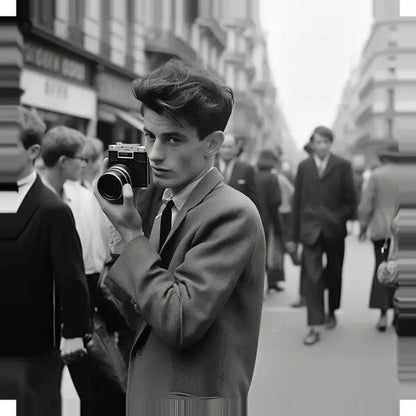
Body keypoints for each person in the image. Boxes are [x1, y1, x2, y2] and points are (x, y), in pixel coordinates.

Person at [94, 58, 266, 416]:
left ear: (213, 143)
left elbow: (179, 321)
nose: (155, 154)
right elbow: (143, 311)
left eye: (173, 139)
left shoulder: (232, 213)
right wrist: (120, 244)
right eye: (149, 135)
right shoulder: (170, 200)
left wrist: (131, 235)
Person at [0, 108, 90, 416]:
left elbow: (72, 276)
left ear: (33, 151)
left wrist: (74, 332)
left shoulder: (52, 209)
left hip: (34, 350)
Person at [288, 126, 356, 346]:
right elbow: (297, 202)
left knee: (334, 273)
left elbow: (351, 201)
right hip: (310, 231)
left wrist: (338, 217)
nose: (322, 145)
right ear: (313, 144)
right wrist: (293, 236)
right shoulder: (304, 167)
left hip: (334, 231)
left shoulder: (343, 166)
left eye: (326, 142)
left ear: (330, 144)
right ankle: (313, 326)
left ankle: (333, 310)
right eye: (319, 142)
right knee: (313, 278)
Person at [358, 142, 401, 331]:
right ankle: (400, 314)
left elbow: (366, 204)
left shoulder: (376, 175)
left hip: (381, 229)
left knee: (383, 267)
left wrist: (362, 226)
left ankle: (383, 313)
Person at [255, 150, 282, 293]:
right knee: (266, 252)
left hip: (253, 217)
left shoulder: (253, 174)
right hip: (267, 219)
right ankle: (265, 285)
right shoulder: (272, 177)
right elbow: (276, 201)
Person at [217, 133, 259, 206]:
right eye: (223, 147)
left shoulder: (247, 169)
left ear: (236, 149)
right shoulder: (209, 168)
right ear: (218, 148)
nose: (226, 150)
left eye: (230, 147)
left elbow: (253, 199)